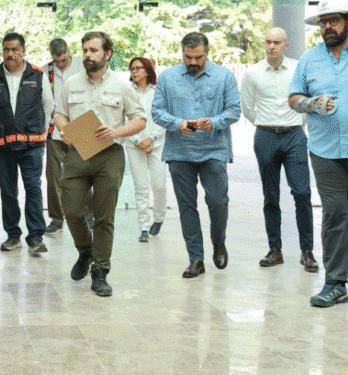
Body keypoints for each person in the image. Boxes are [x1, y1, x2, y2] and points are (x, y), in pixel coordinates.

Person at [53, 31, 145, 297]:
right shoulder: (71, 83)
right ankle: (85, 251)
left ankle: (101, 271)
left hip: (110, 155)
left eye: (93, 50)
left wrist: (116, 131)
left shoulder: (121, 85)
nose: (87, 55)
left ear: (107, 54)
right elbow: (59, 114)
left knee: (104, 217)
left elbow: (139, 119)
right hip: (78, 152)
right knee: (70, 209)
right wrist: (65, 128)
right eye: (85, 50)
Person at [152, 32, 241, 279]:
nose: (192, 62)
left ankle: (219, 241)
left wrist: (212, 122)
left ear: (207, 52)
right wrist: (177, 123)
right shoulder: (168, 77)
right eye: (188, 57)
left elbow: (234, 111)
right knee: (186, 206)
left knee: (218, 200)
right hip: (179, 152)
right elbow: (157, 111)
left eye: (198, 57)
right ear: (182, 52)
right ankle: (195, 258)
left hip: (214, 149)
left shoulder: (224, 76)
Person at [289, 0, 348, 307]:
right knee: (334, 214)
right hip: (325, 150)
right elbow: (293, 98)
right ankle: (335, 282)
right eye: (323, 21)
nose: (328, 26)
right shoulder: (308, 60)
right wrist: (310, 104)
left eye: (334, 20)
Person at [241, 27, 316, 272]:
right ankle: (275, 249)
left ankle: (307, 251)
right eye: (268, 42)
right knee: (270, 196)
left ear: (286, 45)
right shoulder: (252, 73)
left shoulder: (298, 68)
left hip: (294, 135)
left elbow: (305, 102)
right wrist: (265, 125)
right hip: (265, 136)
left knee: (302, 193)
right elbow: (248, 108)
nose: (272, 46)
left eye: (277, 42)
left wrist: (294, 125)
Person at [0, 32, 54, 253]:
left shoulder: (38, 75)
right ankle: (13, 235)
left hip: (31, 146)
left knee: (33, 188)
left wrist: (39, 131)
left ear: (23, 51)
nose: (10, 54)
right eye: (6, 50)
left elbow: (48, 107)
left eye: (14, 49)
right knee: (8, 191)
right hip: (2, 146)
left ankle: (35, 237)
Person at [43, 38, 91, 235]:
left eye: (63, 60)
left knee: (87, 173)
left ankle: (89, 215)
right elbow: (44, 102)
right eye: (57, 61)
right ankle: (56, 218)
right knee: (53, 176)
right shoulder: (46, 71)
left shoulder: (83, 65)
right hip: (55, 130)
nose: (60, 64)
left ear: (69, 53)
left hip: (81, 126)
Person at [125, 56, 167, 242]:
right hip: (134, 145)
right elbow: (122, 120)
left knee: (159, 185)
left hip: (157, 144)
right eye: (132, 69)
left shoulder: (158, 92)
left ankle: (158, 218)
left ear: (147, 70)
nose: (134, 72)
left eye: (138, 68)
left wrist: (151, 138)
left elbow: (165, 118)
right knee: (141, 187)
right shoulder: (126, 91)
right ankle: (143, 227)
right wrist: (138, 141)